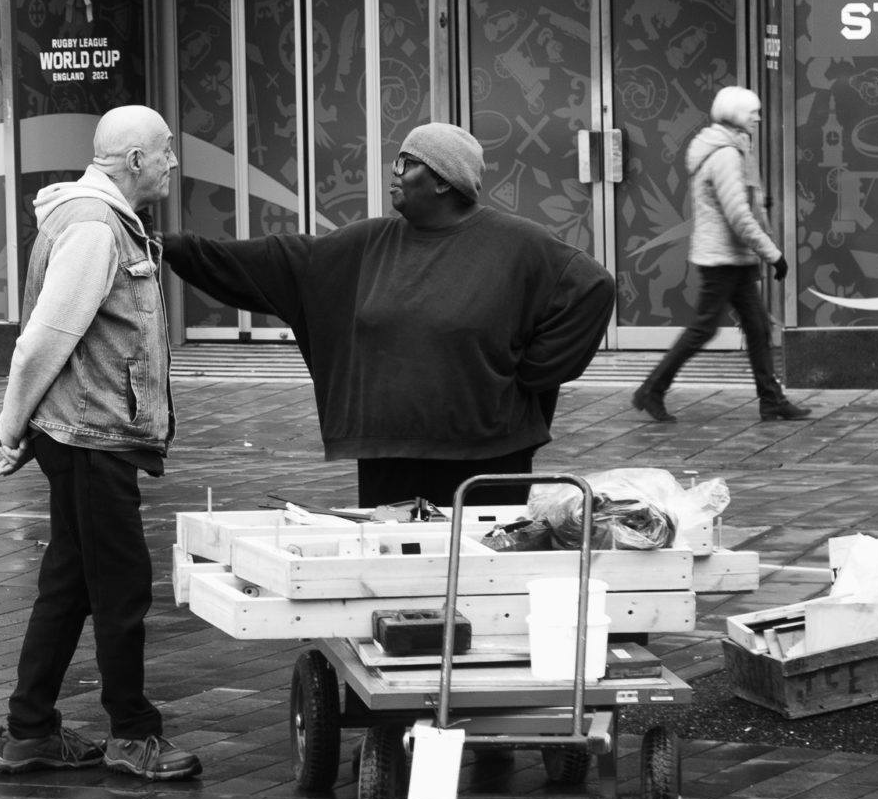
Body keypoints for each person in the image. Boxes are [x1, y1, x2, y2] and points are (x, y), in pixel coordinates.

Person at [162, 122, 615, 509]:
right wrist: (172, 246)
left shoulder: (519, 245)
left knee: (479, 583)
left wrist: (534, 374)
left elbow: (592, 288)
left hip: (488, 456)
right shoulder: (366, 245)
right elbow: (275, 261)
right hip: (389, 457)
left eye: (405, 163)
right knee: (398, 584)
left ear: (443, 180)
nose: (392, 174)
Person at [0, 104, 201, 782]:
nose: (172, 161)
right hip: (91, 437)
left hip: (86, 432)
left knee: (71, 581)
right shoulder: (94, 227)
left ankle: (30, 732)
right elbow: (45, 339)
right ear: (135, 159)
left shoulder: (100, 220)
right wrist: (12, 425)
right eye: (165, 150)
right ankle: (132, 734)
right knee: (120, 586)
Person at [632, 85, 811, 424]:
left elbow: (748, 206)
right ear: (735, 114)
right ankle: (651, 390)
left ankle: (771, 400)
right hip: (722, 259)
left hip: (734, 257)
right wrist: (773, 254)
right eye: (752, 112)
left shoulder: (734, 147)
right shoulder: (725, 154)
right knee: (705, 328)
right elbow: (738, 215)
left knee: (757, 328)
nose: (757, 117)